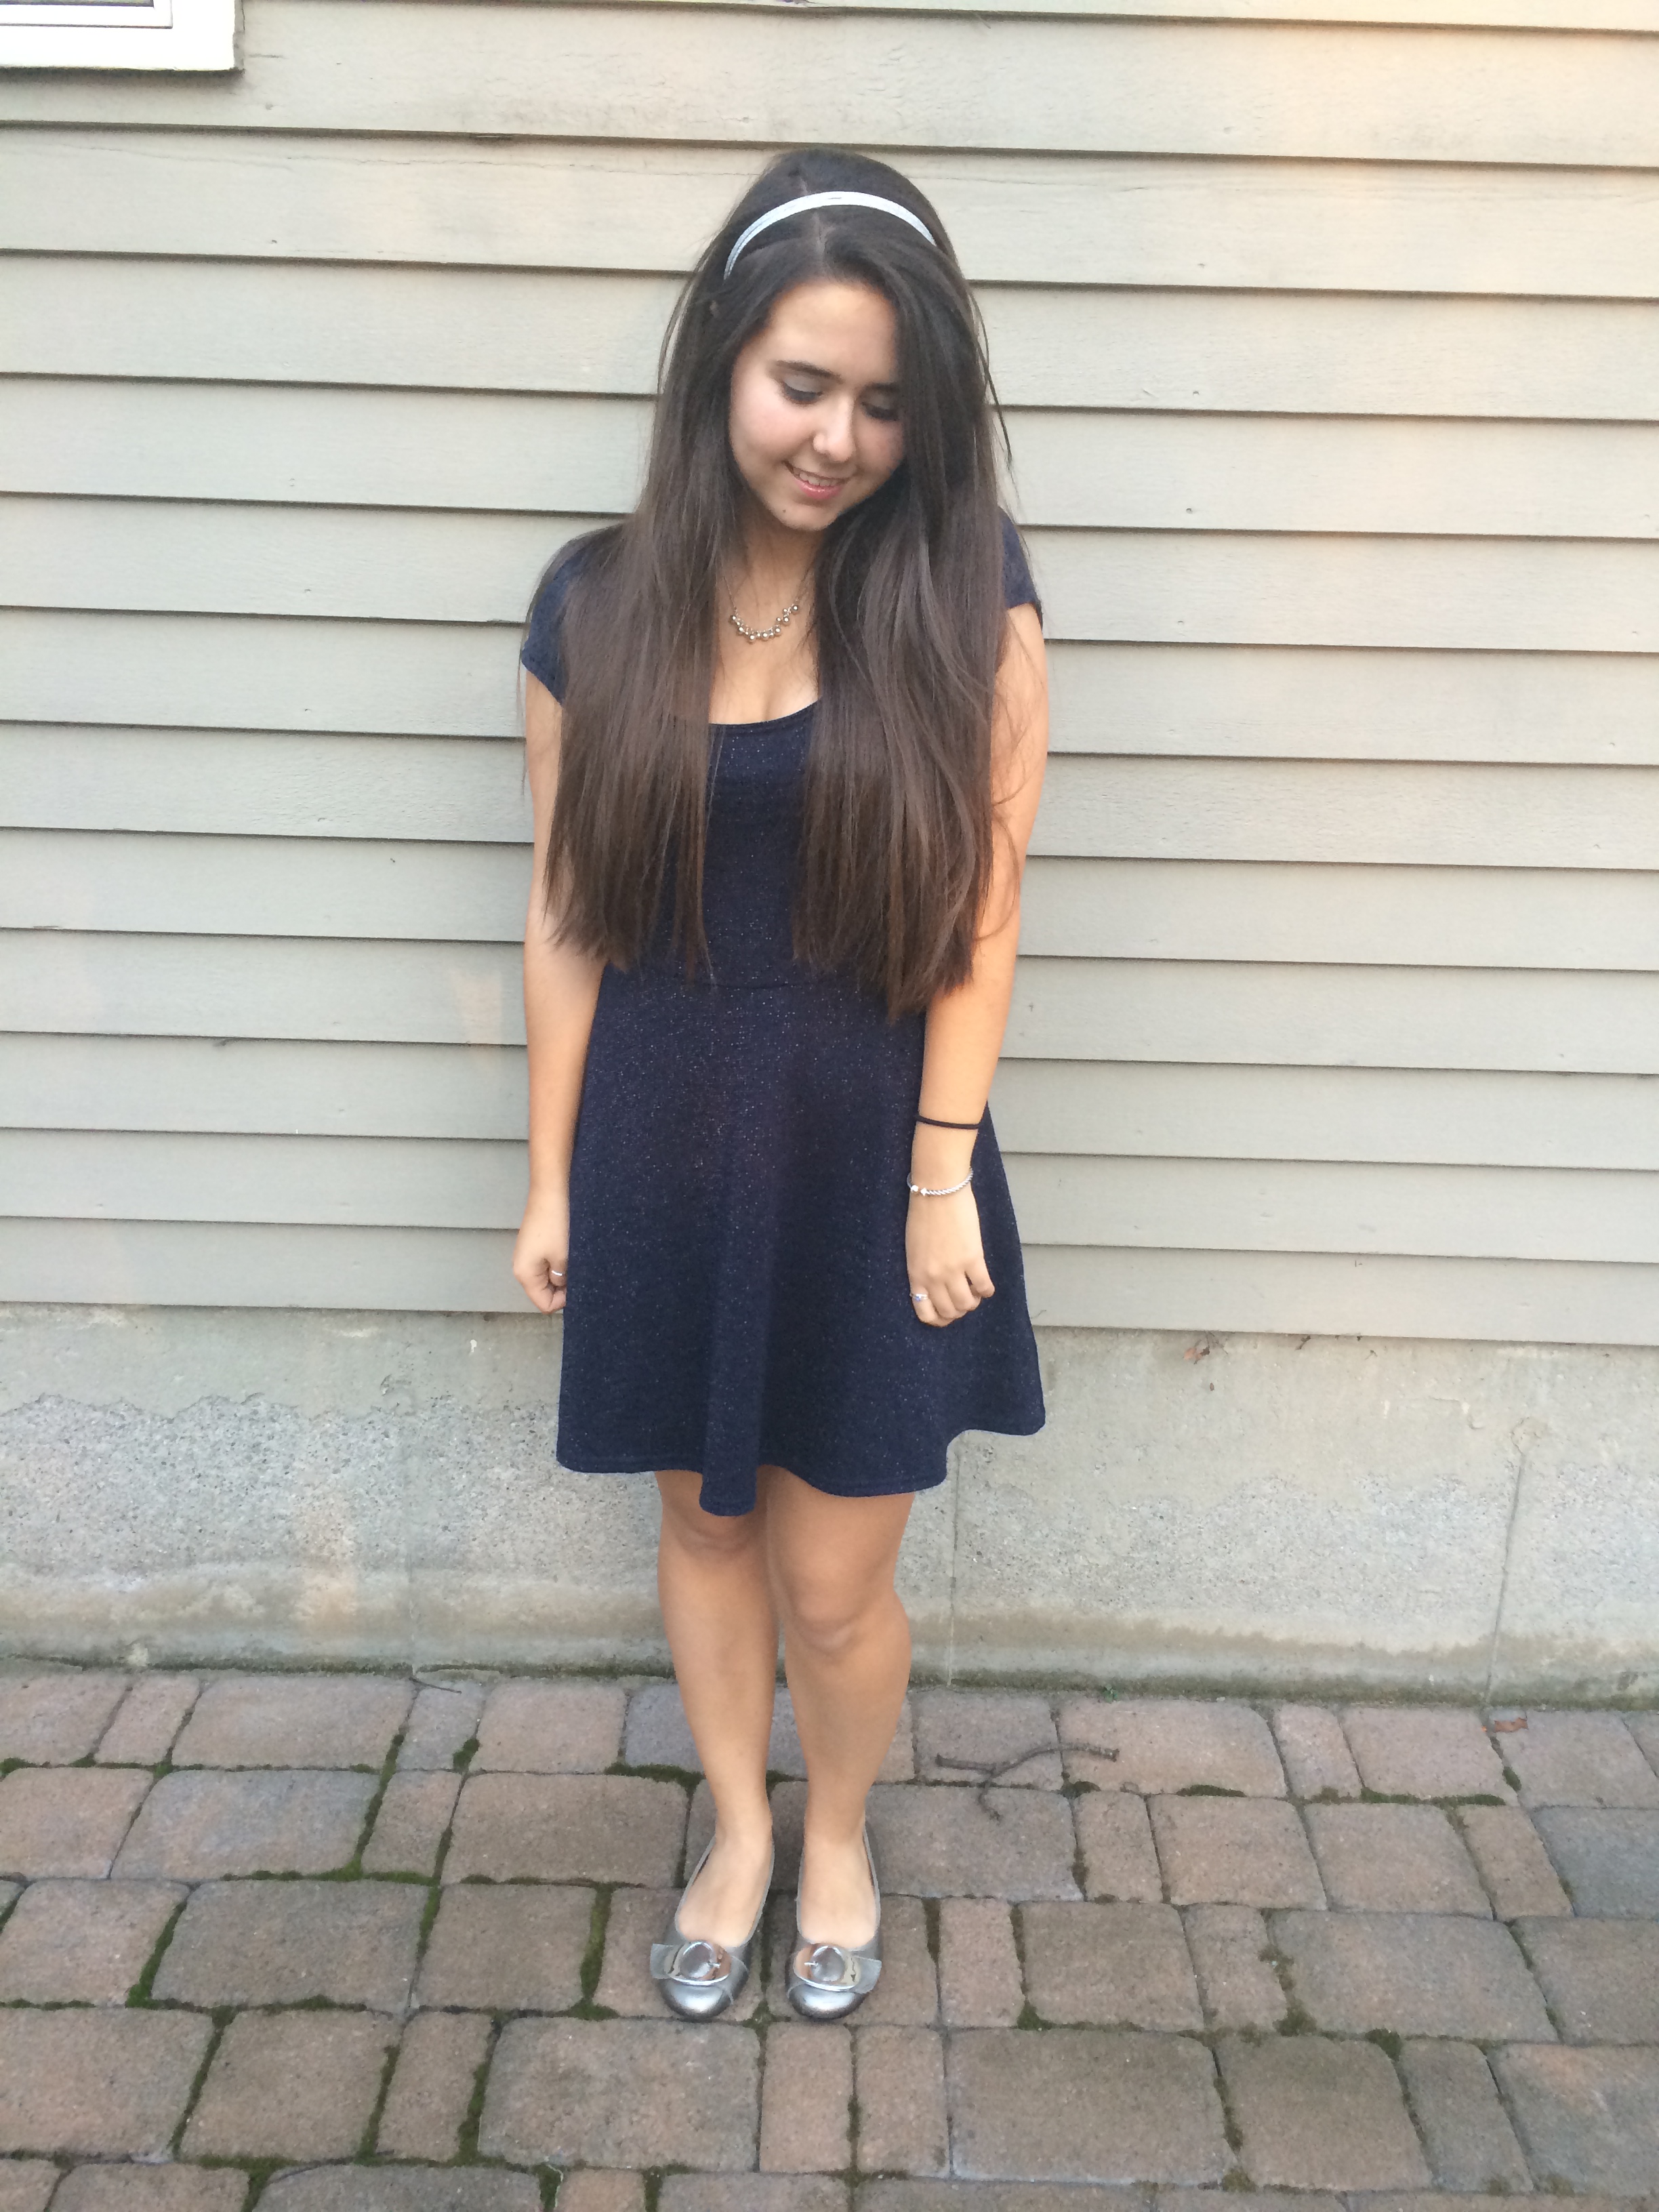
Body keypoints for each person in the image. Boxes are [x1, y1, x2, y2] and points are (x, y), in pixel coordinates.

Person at [510, 146, 1049, 2022]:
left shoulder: (966, 594)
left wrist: (939, 1173)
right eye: (802, 385)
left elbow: (985, 914)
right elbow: (565, 914)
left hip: (870, 1148)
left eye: (885, 404)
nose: (838, 439)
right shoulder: (594, 607)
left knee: (833, 1582)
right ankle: (740, 1829)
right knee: (706, 1525)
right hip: (659, 1144)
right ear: (721, 364)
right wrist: (551, 1176)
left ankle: (842, 1835)